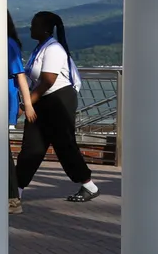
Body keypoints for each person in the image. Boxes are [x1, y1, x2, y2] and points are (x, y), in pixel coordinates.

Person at [15, 11, 99, 202]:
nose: (30, 27)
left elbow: (47, 81)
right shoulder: (41, 48)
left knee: (64, 145)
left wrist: (25, 104)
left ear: (45, 28)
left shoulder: (54, 49)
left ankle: (89, 185)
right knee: (32, 146)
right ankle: (16, 191)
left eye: (34, 24)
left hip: (59, 100)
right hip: (44, 100)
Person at [7, 11, 36, 214]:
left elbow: (20, 77)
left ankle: (12, 198)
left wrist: (27, 104)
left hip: (0, 101)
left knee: (0, 151)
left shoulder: (7, 44)